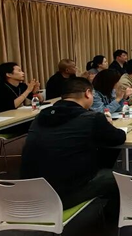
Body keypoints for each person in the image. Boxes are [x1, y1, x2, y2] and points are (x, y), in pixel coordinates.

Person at [20, 77, 126, 212]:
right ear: (88, 93)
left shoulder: (40, 117)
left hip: (28, 191)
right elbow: (119, 138)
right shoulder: (91, 118)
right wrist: (108, 125)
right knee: (122, 177)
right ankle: (110, 217)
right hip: (62, 194)